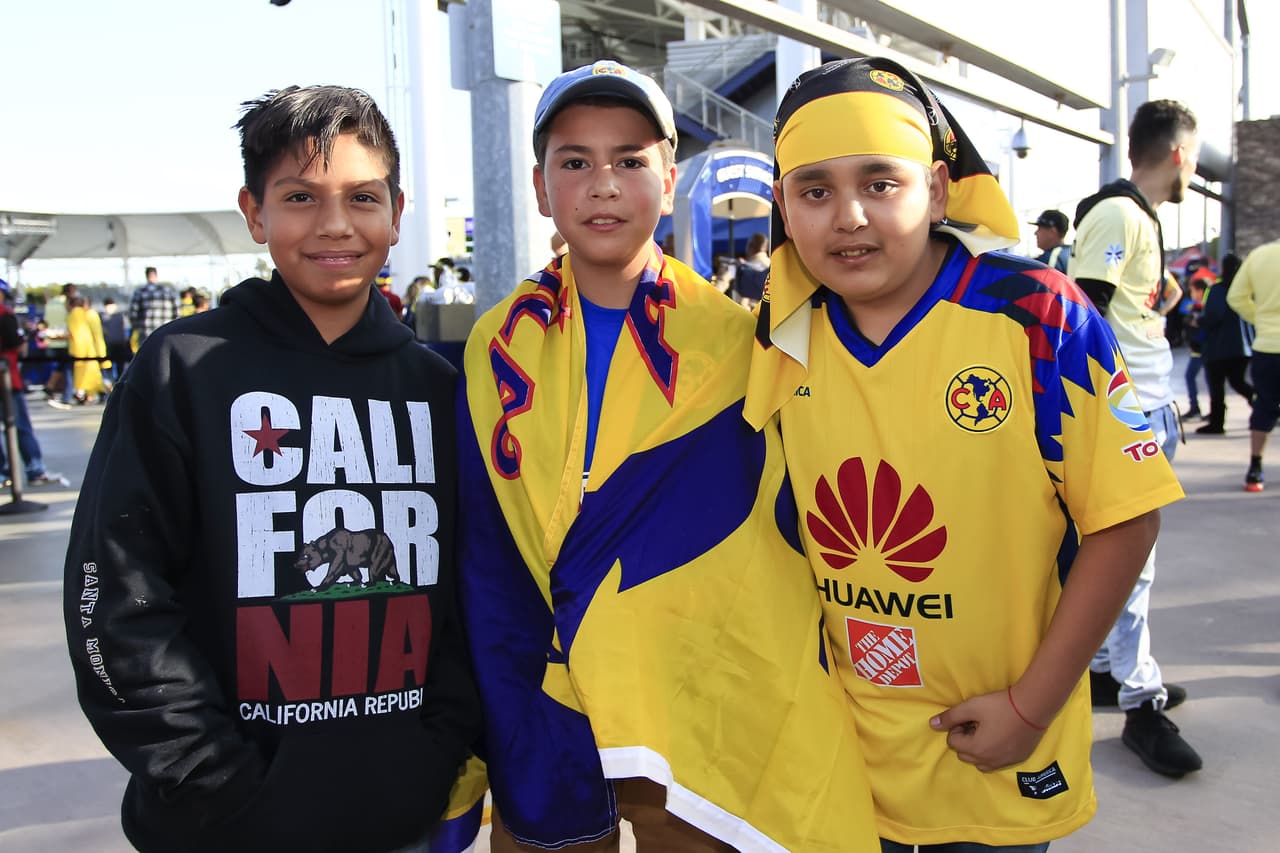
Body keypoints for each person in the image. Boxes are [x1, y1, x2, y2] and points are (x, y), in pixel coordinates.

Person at [745, 57, 1185, 848]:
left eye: (881, 182)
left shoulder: (1036, 317)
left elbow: (1127, 520)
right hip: (838, 753)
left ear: (940, 189)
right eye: (814, 189)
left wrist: (1031, 706)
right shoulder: (779, 333)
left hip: (997, 751)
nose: (848, 215)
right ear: (783, 204)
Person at [459, 59, 877, 852]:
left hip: (691, 690)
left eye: (629, 160)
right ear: (542, 188)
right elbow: (487, 536)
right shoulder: (496, 344)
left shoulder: (734, 338)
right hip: (538, 691)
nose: (603, 184)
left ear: (669, 176)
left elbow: (765, 531)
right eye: (574, 162)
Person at [63, 84, 480, 853]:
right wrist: (210, 777)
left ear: (396, 211)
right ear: (255, 213)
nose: (334, 223)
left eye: (362, 196)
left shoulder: (441, 391)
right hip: (220, 825)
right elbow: (115, 596)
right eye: (299, 196)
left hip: (403, 816)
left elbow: (473, 587)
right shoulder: (183, 370)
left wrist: (438, 745)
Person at [1068, 98, 1202, 778]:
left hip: (1153, 409)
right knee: (1132, 564)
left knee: (1131, 562)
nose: (1195, 170)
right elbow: (1081, 313)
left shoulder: (1140, 219)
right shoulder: (1117, 213)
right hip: (1128, 417)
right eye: (1194, 158)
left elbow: (1125, 300)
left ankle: (1107, 670)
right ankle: (1141, 700)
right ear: (1179, 154)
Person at [1227, 237, 1280, 492]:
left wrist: (1259, 318)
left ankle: (1255, 469)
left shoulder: (1260, 255)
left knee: (1265, 405)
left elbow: (1236, 297)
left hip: (1267, 344)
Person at [0, 278, 51, 487]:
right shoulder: (5, 315)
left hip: (7, 379)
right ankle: (35, 468)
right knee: (20, 426)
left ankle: (3, 474)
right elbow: (20, 347)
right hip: (7, 380)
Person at [1198, 253, 1254, 435]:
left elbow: (1213, 317)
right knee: (1238, 381)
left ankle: (1217, 422)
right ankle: (1265, 405)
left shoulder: (1217, 289)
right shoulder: (1247, 290)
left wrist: (1198, 323)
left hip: (1219, 347)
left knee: (1216, 385)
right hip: (1243, 346)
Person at [66, 295, 108, 404]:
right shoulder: (87, 314)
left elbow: (75, 333)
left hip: (82, 350)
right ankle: (96, 392)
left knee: (84, 373)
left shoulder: (76, 314)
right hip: (91, 348)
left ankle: (83, 393)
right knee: (93, 372)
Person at [128, 266, 180, 348]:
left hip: (146, 331)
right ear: (156, 275)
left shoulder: (140, 291)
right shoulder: (168, 290)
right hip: (166, 329)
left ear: (146, 276)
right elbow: (176, 311)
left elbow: (133, 313)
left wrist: (137, 327)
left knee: (147, 355)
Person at [1180, 271, 1209, 418]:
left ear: (1200, 291)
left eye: (1192, 290)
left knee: (1191, 376)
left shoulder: (1203, 308)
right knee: (1208, 379)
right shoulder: (1198, 307)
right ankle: (1205, 409)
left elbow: (1201, 327)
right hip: (1200, 348)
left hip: (1202, 349)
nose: (1191, 294)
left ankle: (1195, 408)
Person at [42, 282, 74, 406]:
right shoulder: (68, 303)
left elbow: (46, 321)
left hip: (52, 340)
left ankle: (51, 387)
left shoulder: (51, 303)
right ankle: (66, 394)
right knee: (66, 369)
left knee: (59, 367)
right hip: (66, 340)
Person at [732, 231, 769, 308]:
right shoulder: (773, 265)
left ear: (750, 246)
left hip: (745, 312)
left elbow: (721, 284)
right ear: (765, 248)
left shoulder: (740, 267)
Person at [100, 296, 131, 386]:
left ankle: (116, 383)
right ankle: (112, 384)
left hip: (116, 344)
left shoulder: (120, 315)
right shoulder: (102, 316)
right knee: (111, 366)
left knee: (119, 366)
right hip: (111, 344)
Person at [1030, 209, 1072, 273]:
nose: (1035, 233)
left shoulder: (1052, 257)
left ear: (1052, 231)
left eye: (1039, 229)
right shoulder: (1072, 252)